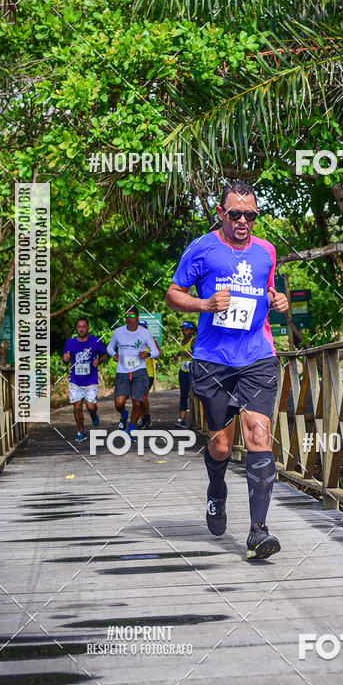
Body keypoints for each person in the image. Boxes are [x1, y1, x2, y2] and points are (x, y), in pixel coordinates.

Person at [166, 180, 289, 560]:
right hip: (214, 360)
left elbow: (267, 291)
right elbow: (172, 294)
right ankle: (216, 491)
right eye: (234, 214)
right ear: (221, 214)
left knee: (258, 432)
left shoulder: (266, 252)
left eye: (249, 215)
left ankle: (258, 531)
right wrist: (204, 304)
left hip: (257, 355)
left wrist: (278, 299)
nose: (242, 221)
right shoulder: (202, 248)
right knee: (221, 444)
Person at [107, 307, 160, 440]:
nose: (129, 319)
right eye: (127, 316)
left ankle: (130, 430)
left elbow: (156, 352)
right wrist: (114, 354)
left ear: (137, 318)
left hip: (139, 371)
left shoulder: (144, 333)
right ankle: (124, 414)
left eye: (132, 316)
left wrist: (147, 354)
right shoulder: (118, 332)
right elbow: (109, 347)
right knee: (119, 403)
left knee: (138, 403)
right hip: (122, 371)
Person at [62, 317, 106, 442]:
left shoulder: (96, 341)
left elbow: (103, 356)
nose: (81, 329)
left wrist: (99, 361)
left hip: (90, 380)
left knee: (91, 406)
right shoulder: (70, 343)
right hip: (75, 381)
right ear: (76, 328)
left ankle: (93, 414)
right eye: (79, 327)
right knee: (77, 407)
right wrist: (65, 359)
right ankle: (81, 431)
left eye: (84, 326)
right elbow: (65, 359)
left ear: (88, 328)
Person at [138, 319, 162, 430]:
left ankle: (146, 418)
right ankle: (144, 419)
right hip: (135, 373)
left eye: (143, 327)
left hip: (148, 374)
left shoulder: (151, 340)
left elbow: (158, 354)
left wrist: (148, 354)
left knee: (142, 397)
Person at [174, 320, 196, 427]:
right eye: (182, 330)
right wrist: (177, 354)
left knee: (194, 394)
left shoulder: (194, 340)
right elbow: (181, 353)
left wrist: (190, 354)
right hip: (183, 371)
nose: (184, 332)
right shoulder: (182, 341)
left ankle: (195, 420)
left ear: (191, 331)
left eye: (186, 330)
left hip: (192, 371)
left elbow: (197, 355)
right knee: (183, 394)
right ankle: (181, 419)